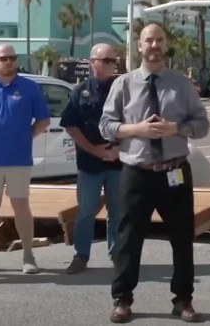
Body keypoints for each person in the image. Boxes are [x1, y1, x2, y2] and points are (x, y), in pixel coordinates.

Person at [99, 23, 210, 323]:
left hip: (175, 171)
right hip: (137, 171)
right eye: (149, 40)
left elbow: (202, 125)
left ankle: (183, 300)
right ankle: (122, 299)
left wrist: (177, 128)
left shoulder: (182, 85)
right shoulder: (123, 84)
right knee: (128, 239)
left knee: (182, 239)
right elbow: (106, 126)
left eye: (159, 40)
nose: (154, 45)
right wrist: (138, 129)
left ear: (166, 44)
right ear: (139, 45)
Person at [0, 44, 51, 275]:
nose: (9, 62)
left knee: (21, 206)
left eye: (12, 58)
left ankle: (28, 256)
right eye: (3, 58)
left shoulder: (29, 88)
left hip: (19, 159)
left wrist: (27, 136)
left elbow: (43, 120)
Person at [59, 43, 122, 274]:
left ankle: (117, 254)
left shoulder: (121, 89)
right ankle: (81, 256)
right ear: (92, 62)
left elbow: (134, 123)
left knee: (117, 211)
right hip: (89, 164)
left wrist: (119, 149)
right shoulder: (80, 91)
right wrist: (94, 151)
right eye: (105, 60)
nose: (111, 65)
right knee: (86, 211)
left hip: (118, 163)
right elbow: (71, 126)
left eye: (113, 60)